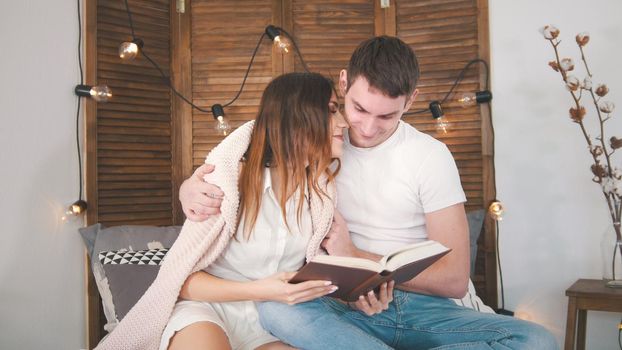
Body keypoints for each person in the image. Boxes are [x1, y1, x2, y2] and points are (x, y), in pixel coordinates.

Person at [179, 37, 558, 349]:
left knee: (536, 340)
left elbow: (455, 280)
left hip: (421, 308)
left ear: (410, 101)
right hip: (339, 306)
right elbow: (259, 135)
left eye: (387, 116)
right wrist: (192, 187)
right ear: (343, 84)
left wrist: (357, 258)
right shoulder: (317, 143)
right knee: (277, 310)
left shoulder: (429, 155)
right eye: (358, 108)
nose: (367, 127)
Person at [93, 72, 356, 350]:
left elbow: (316, 273)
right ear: (297, 120)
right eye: (331, 111)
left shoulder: (321, 194)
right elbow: (181, 279)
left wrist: (358, 294)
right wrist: (260, 290)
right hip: (207, 309)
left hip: (272, 318)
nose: (343, 122)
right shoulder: (228, 183)